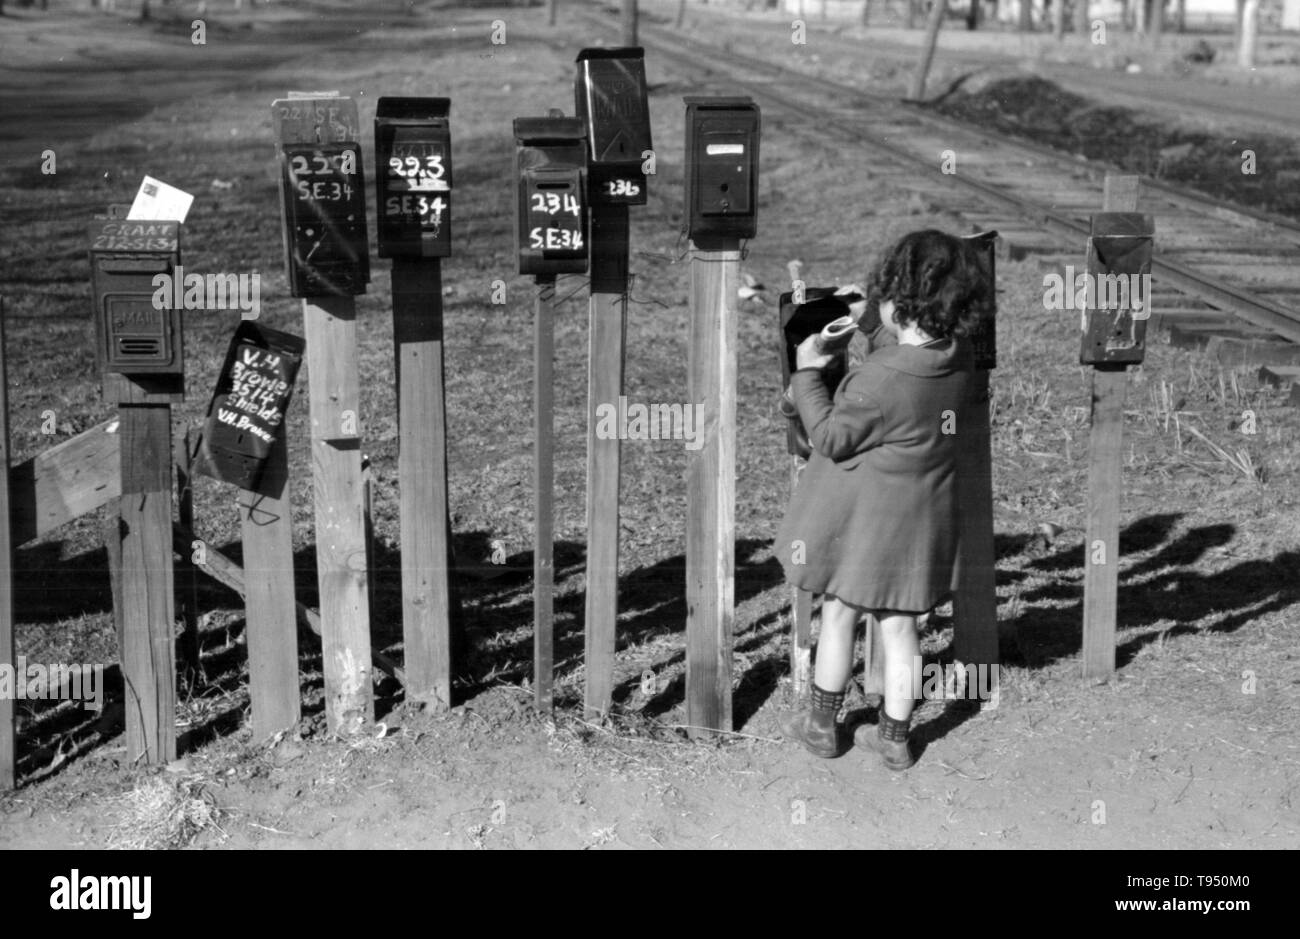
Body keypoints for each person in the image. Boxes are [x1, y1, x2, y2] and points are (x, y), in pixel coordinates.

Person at [775, 229, 994, 770]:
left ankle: (822, 725)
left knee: (840, 612)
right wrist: (871, 321)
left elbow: (829, 436)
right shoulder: (956, 358)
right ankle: (895, 738)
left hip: (866, 526)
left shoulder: (877, 379)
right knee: (901, 628)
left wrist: (806, 371)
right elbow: (904, 360)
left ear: (901, 300)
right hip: (919, 525)